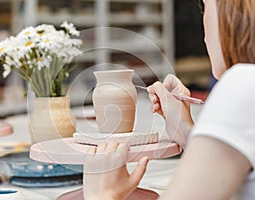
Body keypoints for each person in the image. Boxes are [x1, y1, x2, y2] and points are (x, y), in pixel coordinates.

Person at [83, 0, 255, 199]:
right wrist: (185, 130)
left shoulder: (243, 82)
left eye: (205, 7)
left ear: (232, 14)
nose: (204, 33)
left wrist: (103, 194)